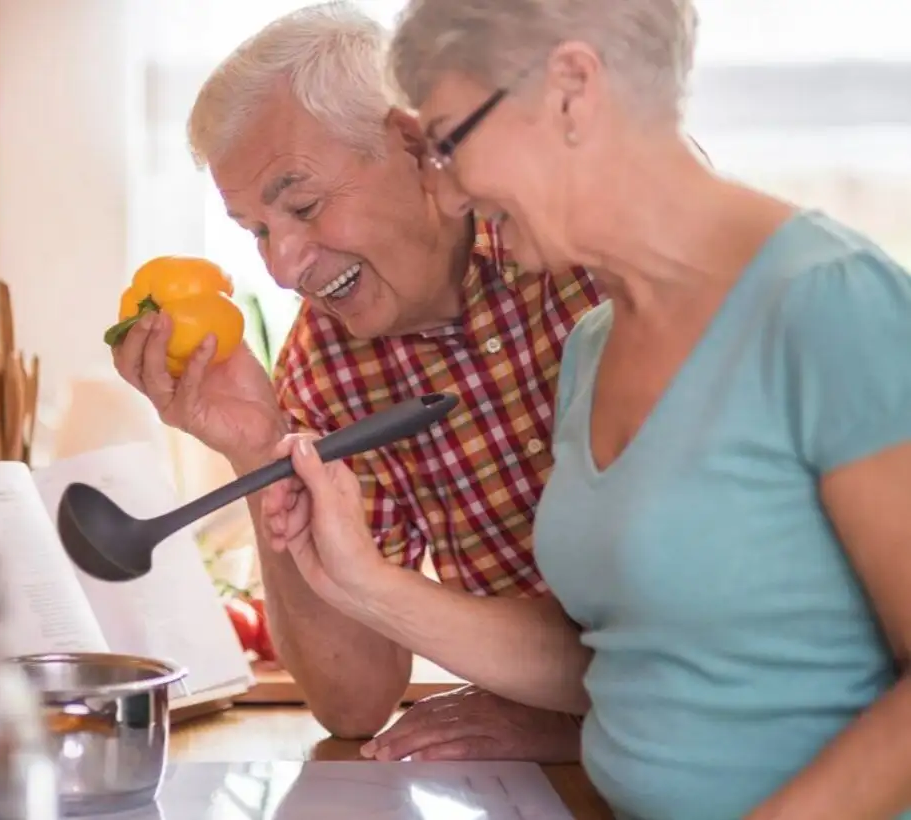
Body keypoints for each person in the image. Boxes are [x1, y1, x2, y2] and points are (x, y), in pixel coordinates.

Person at [259, 0, 911, 817]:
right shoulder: (595, 346)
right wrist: (363, 580)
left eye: (452, 143)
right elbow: (621, 660)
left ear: (571, 89)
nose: (452, 195)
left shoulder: (828, 302)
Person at [110, 2, 603, 761]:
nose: (281, 266)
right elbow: (354, 701)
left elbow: (713, 624)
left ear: (415, 146)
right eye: (258, 232)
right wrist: (262, 453)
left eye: (301, 205)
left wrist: (580, 722)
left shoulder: (588, 248)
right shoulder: (324, 362)